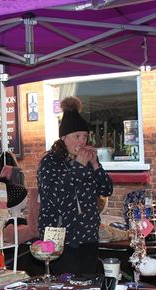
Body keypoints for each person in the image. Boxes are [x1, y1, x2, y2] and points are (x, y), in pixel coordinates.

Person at [37, 96, 113, 276]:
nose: (81, 141)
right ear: (63, 137)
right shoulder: (50, 161)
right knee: (64, 288)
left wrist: (96, 166)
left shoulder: (87, 161)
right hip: (60, 237)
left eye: (85, 136)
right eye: (76, 136)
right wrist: (78, 166)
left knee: (89, 286)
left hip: (88, 235)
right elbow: (56, 195)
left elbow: (106, 190)